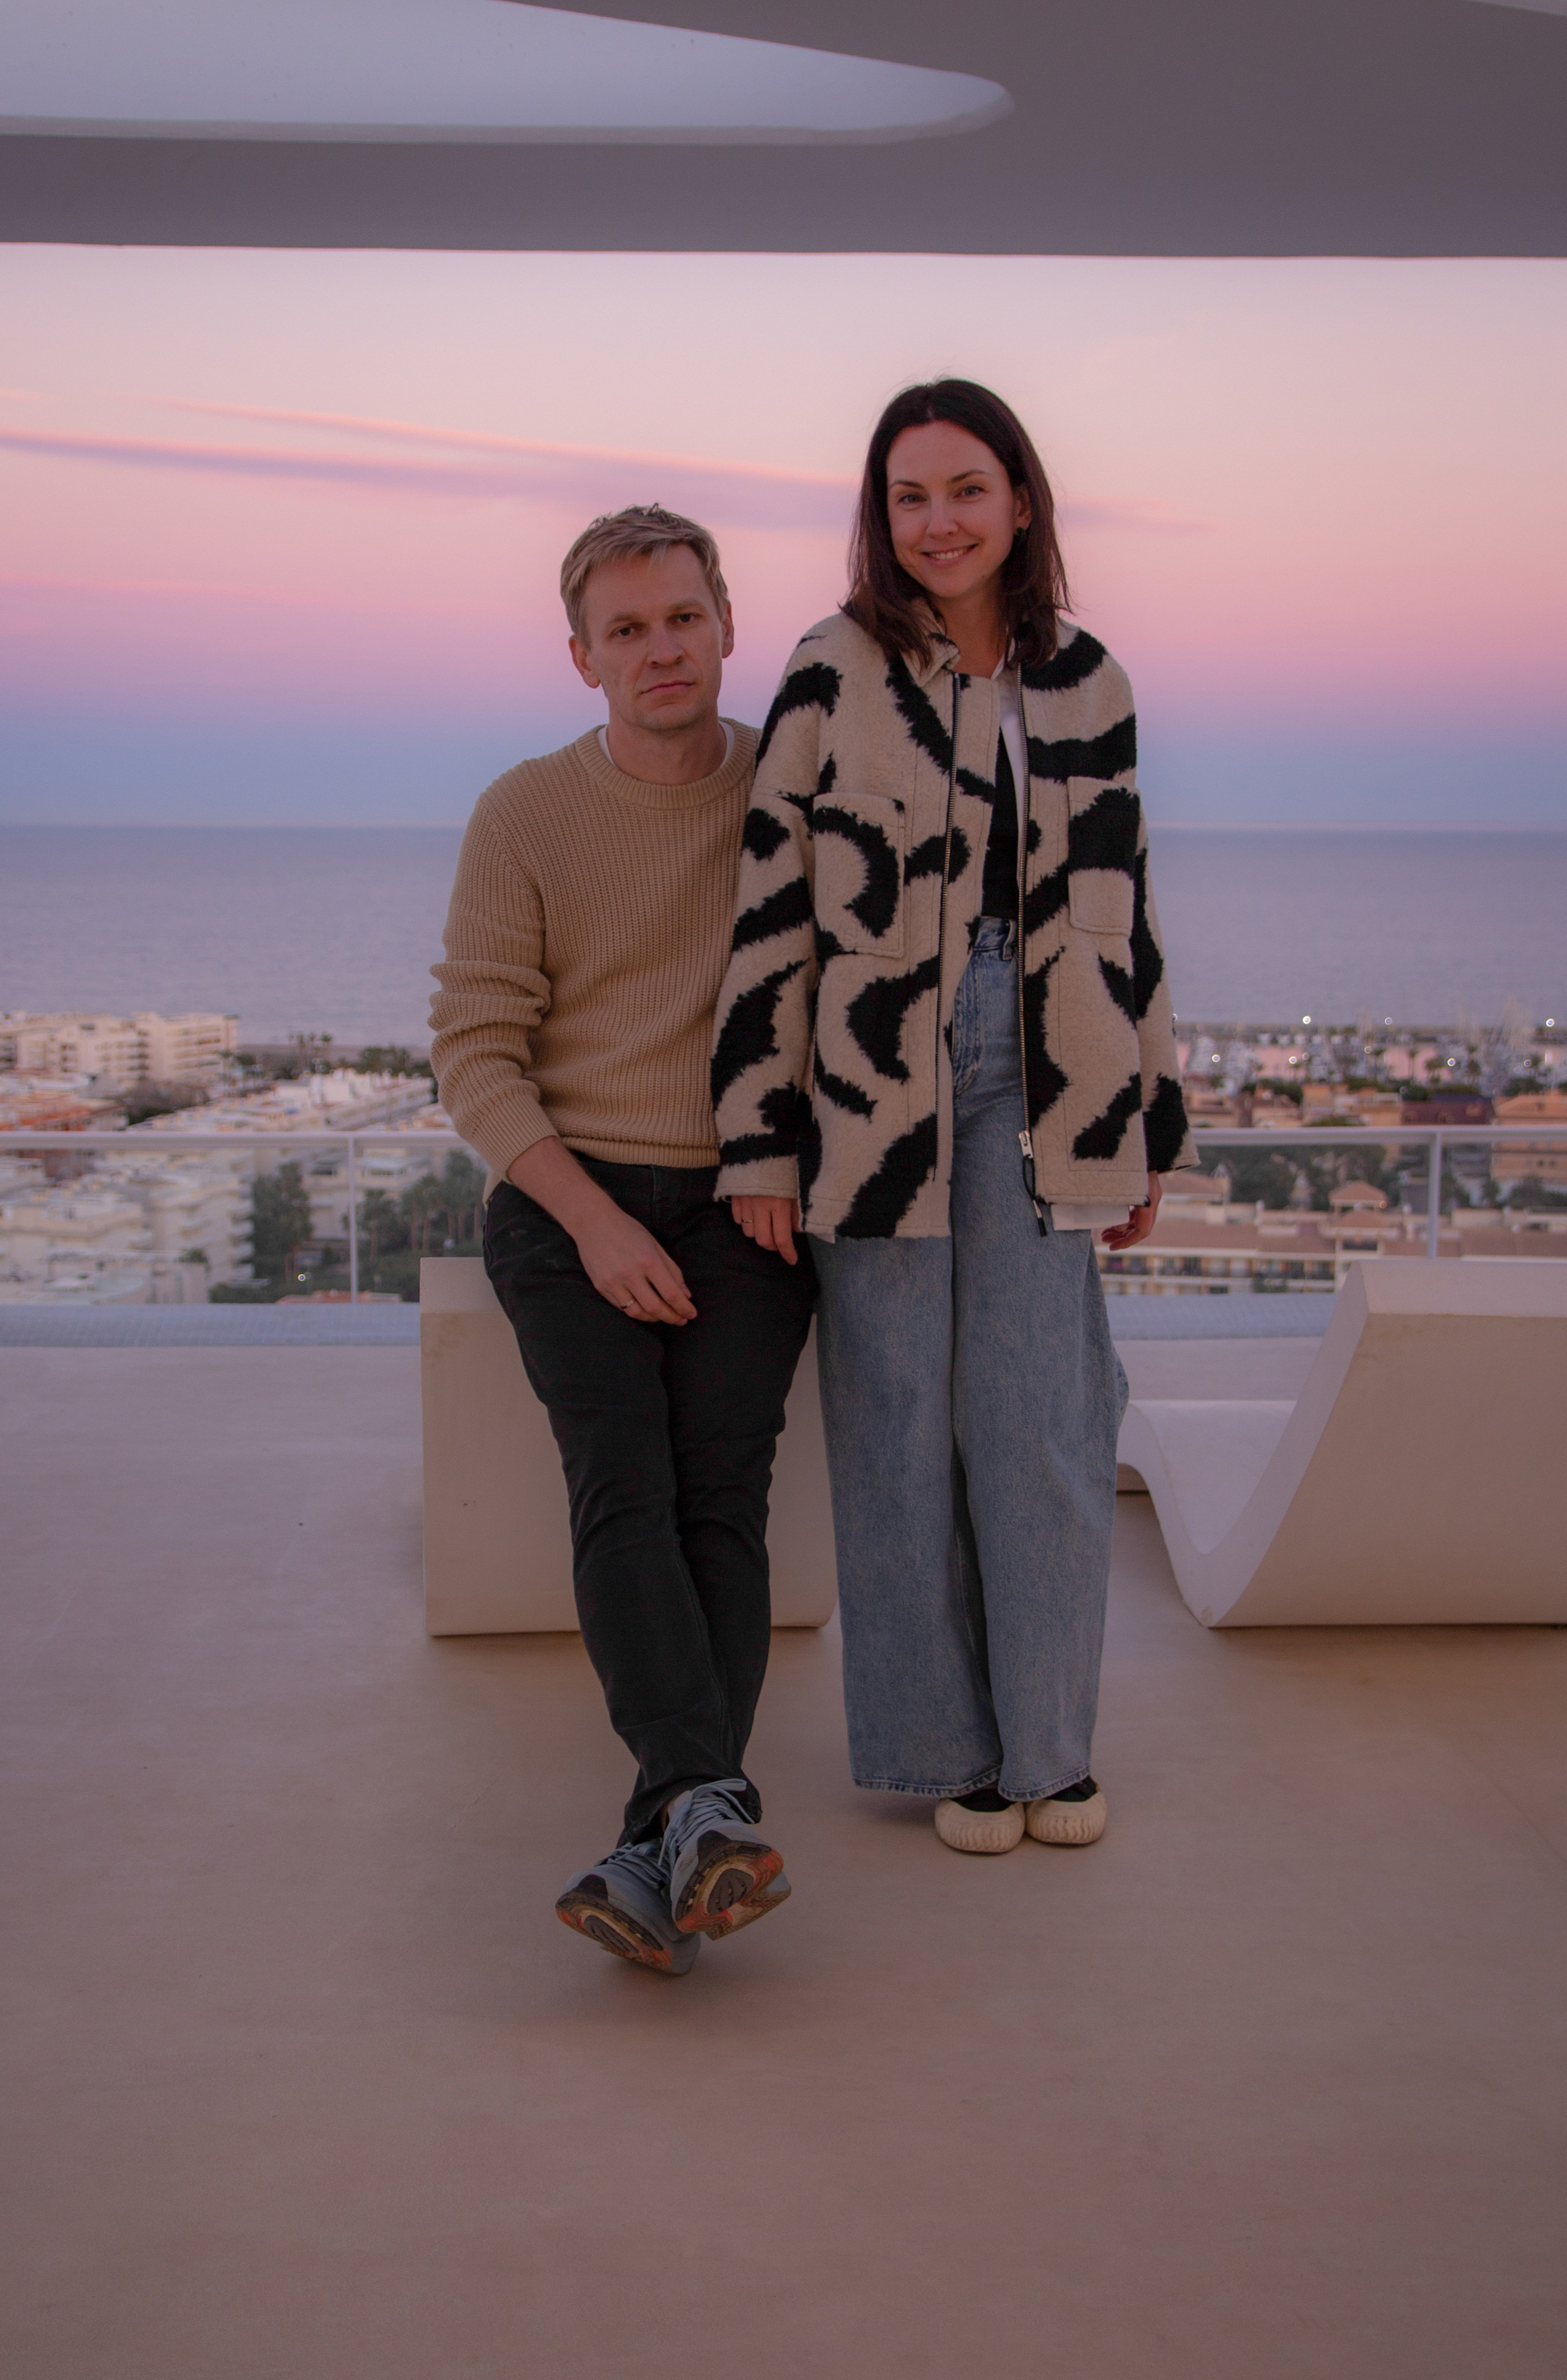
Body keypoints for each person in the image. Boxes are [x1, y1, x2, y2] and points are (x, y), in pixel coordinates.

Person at [711, 381, 1193, 1857]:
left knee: (1040, 1418)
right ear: (881, 514)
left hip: (1048, 1063)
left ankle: (1046, 1752)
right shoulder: (830, 666)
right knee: (898, 1420)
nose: (939, 521)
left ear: (1021, 501)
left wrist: (1146, 1120)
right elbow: (771, 913)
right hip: (871, 1087)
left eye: (966, 489)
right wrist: (757, 1139)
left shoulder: (1092, 681)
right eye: (910, 496)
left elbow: (1128, 914)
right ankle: (946, 1754)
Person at [430, 505, 816, 1972]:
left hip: (747, 1195)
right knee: (622, 1483)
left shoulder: (791, 793)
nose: (660, 648)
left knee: (721, 1495)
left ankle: (668, 1833)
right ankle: (701, 1812)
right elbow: (475, 1050)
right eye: (627, 628)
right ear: (581, 654)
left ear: (727, 620)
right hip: (562, 1197)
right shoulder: (524, 811)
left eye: (682, 617)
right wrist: (588, 1223)